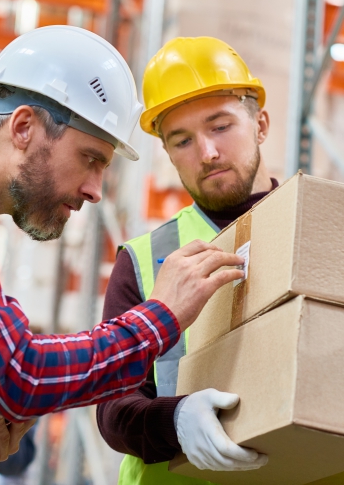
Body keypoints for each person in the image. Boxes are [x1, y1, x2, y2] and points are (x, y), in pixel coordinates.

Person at [0, 27, 244, 484]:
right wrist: (160, 318)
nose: (95, 190)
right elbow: (21, 374)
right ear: (23, 127)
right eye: (90, 158)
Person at [96, 36, 275, 485]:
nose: (207, 153)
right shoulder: (143, 261)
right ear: (169, 154)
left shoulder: (323, 229)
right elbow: (113, 409)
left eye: (220, 127)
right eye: (182, 140)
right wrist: (174, 421)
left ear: (261, 125)